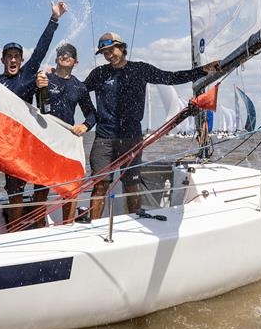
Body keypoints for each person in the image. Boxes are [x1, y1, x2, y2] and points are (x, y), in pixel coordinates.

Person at [84, 32, 219, 221]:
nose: (109, 55)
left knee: (131, 184)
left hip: (131, 138)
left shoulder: (140, 69)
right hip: (103, 138)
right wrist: (89, 119)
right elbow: (79, 92)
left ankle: (135, 223)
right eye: (104, 53)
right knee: (100, 185)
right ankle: (92, 226)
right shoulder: (99, 73)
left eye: (111, 50)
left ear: (122, 47)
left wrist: (202, 71)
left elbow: (170, 78)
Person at [0, 1, 67, 236]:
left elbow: (42, 50)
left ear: (22, 61)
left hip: (17, 148)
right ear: (3, 60)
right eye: (9, 56)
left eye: (17, 56)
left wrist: (54, 20)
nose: (13, 60)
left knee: (14, 192)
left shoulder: (27, 78)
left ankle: (14, 233)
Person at [32, 42, 96, 225]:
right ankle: (39, 227)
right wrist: (38, 84)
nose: (65, 55)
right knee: (41, 187)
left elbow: (92, 114)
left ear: (75, 61)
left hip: (66, 142)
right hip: (44, 138)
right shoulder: (44, 79)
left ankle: (68, 226)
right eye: (62, 53)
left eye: (70, 54)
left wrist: (85, 126)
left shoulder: (79, 87)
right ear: (56, 58)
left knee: (70, 187)